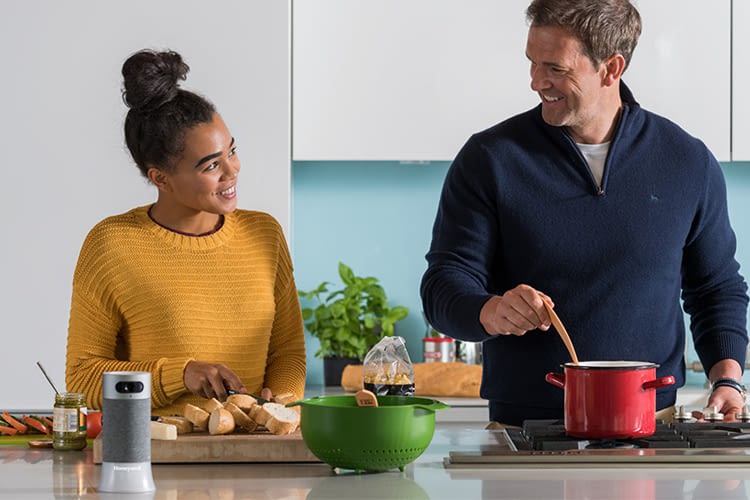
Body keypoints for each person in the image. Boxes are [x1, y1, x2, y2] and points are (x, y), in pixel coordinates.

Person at [420, 0, 749, 426]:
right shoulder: (490, 158)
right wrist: (491, 311)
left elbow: (716, 288)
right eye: (532, 63)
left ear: (611, 68)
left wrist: (727, 380)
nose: (537, 82)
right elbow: (443, 286)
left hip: (651, 425)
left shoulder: (687, 161)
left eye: (555, 68)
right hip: (524, 431)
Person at [65, 49, 306, 416]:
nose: (232, 171)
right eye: (211, 164)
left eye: (232, 151)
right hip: (154, 454)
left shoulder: (264, 234)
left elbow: (288, 352)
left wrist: (278, 407)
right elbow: (83, 378)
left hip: (254, 447)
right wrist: (179, 374)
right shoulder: (112, 244)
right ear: (160, 178)